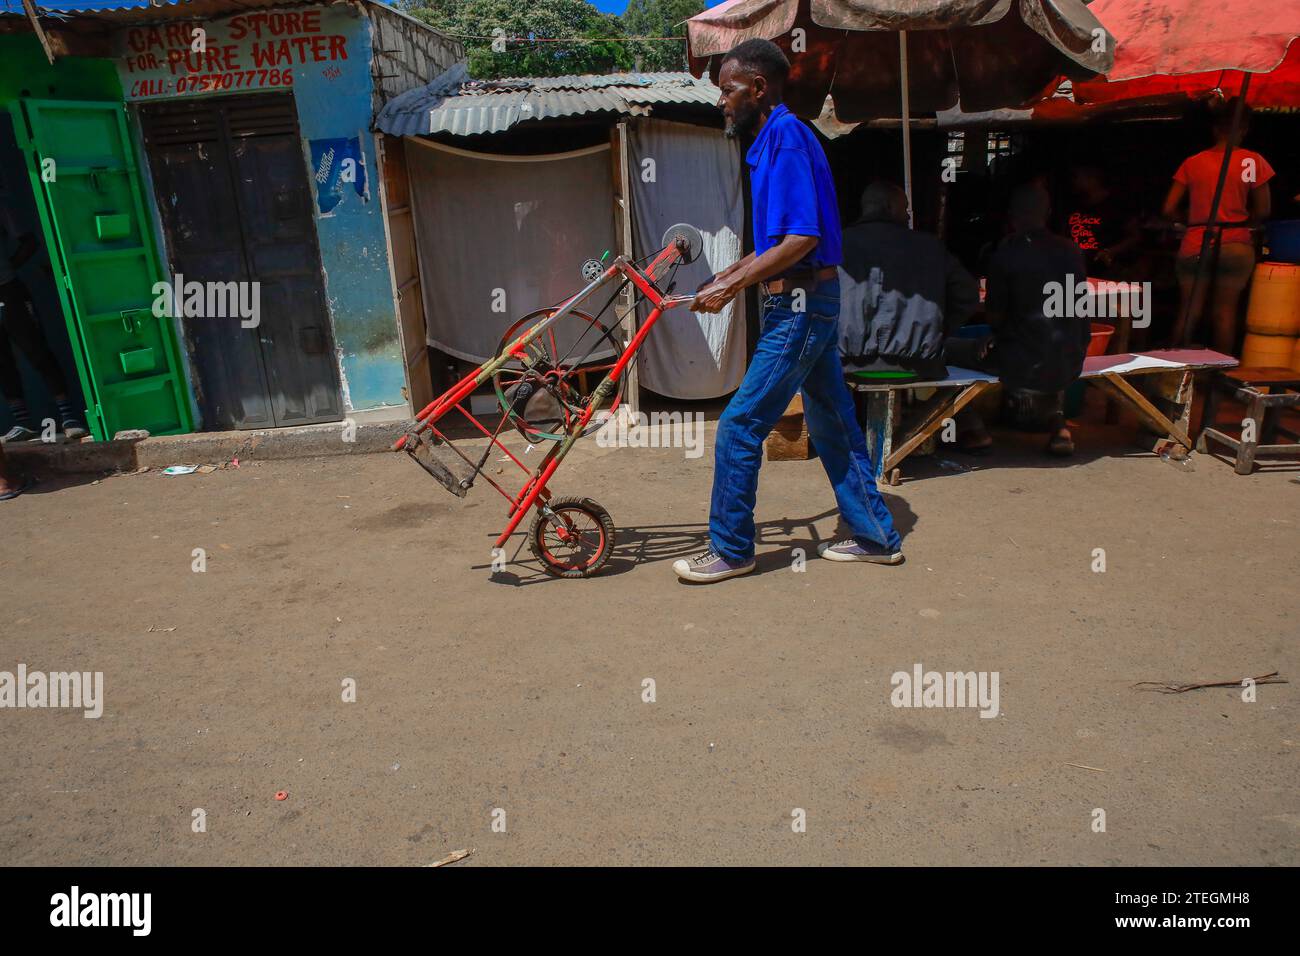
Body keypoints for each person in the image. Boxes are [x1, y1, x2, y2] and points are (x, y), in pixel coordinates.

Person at [674, 38, 902, 583]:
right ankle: (875, 535)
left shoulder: (787, 140)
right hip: (806, 303)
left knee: (739, 424)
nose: (721, 101)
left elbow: (803, 237)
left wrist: (732, 290)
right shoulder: (773, 142)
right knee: (833, 421)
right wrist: (727, 275)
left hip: (800, 308)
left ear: (757, 88)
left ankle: (731, 549)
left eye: (727, 90)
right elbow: (777, 242)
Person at [949, 182, 1090, 456]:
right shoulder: (1072, 250)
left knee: (941, 348)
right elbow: (1073, 310)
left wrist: (997, 334)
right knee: (1047, 346)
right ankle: (1059, 427)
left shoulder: (1006, 254)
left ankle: (972, 425)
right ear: (1047, 212)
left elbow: (996, 316)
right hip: (1072, 360)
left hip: (1023, 365)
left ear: (1011, 215)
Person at [1163, 97, 1274, 353]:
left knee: (1189, 311)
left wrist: (1190, 220)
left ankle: (1175, 374)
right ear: (1244, 130)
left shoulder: (1193, 162)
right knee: (1225, 314)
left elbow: (1168, 209)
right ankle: (1219, 378)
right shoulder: (1253, 161)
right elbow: (1264, 210)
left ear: (1215, 129)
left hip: (1197, 240)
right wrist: (1245, 220)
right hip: (1235, 241)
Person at [838, 180, 979, 381]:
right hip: (919, 368)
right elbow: (967, 296)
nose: (908, 215)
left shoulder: (837, 245)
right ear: (889, 207)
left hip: (847, 367)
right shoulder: (930, 247)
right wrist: (936, 330)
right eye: (905, 208)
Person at [0, 200, 87, 443]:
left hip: (10, 291)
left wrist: (8, 267)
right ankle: (22, 423)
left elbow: (29, 242)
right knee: (2, 362)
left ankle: (68, 417)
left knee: (36, 351)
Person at [1062, 164, 1141, 279]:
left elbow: (1135, 236)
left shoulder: (1116, 205)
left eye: (1078, 177)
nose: (1074, 181)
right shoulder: (1074, 204)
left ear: (1092, 179)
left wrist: (1110, 251)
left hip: (1106, 273)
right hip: (1077, 270)